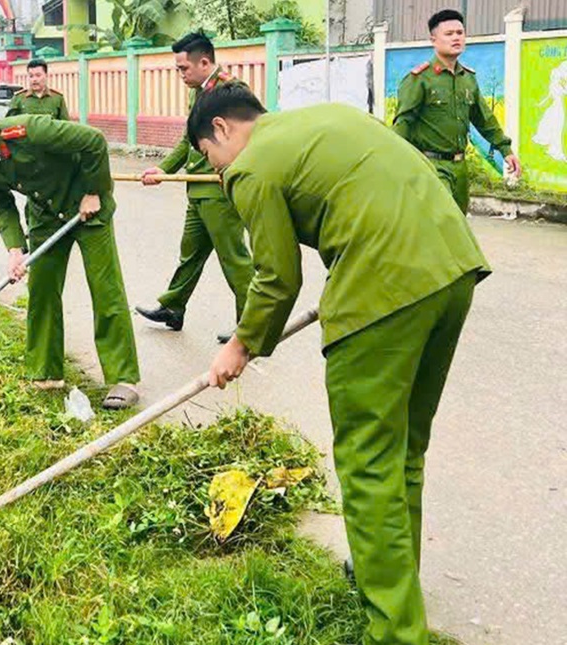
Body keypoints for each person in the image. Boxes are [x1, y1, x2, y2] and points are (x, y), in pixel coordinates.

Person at [193, 85, 490, 645]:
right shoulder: (327, 117)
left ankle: (396, 632)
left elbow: (277, 278)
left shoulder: (251, 166)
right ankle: (391, 581)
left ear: (223, 130)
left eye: (210, 157)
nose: (217, 171)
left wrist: (239, 345)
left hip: (384, 288)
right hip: (454, 269)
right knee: (402, 449)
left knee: (367, 459)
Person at [0, 98, 141, 410]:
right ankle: (46, 372)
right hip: (45, 215)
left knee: (105, 288)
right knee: (41, 290)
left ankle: (123, 378)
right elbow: (1, 204)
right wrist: (15, 250)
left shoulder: (30, 131)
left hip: (87, 208)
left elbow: (93, 141)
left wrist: (94, 191)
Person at [134, 33, 254, 343]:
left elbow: (250, 134)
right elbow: (190, 138)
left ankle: (252, 326)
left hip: (219, 188)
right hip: (196, 188)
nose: (181, 75)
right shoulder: (200, 90)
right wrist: (164, 169)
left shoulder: (232, 91)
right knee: (190, 253)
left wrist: (234, 174)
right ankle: (173, 307)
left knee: (234, 259)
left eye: (184, 68)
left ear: (205, 62)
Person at [393, 9, 522, 213]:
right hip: (431, 166)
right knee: (441, 220)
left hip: (460, 168)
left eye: (460, 33)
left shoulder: (467, 78)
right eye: (449, 34)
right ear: (434, 40)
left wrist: (505, 150)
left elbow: (484, 119)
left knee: (459, 222)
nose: (456, 38)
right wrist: (396, 166)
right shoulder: (419, 79)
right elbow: (403, 124)